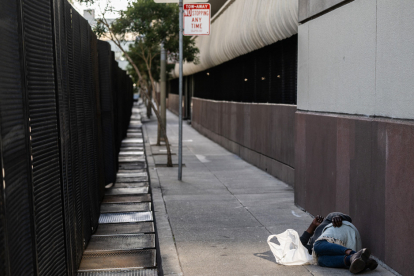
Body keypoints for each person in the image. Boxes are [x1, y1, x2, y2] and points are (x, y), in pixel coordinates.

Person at [300, 212, 378, 274]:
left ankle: (354, 254)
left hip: (346, 232)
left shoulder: (325, 223)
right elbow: (299, 245)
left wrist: (338, 217)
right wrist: (312, 226)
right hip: (346, 245)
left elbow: (347, 218)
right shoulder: (313, 248)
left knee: (317, 245)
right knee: (320, 260)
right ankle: (354, 259)